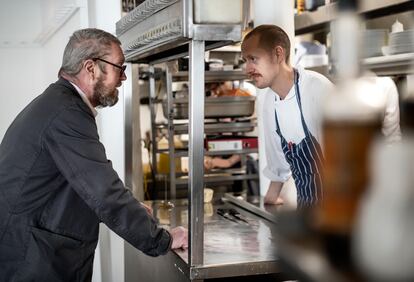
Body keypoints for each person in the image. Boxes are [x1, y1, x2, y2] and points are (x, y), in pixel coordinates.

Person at [0, 28, 187, 281]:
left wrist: (132, 208)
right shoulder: (66, 113)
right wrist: (162, 240)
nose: (123, 77)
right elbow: (103, 191)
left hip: (30, 251)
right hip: (32, 259)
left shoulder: (58, 104)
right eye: (119, 67)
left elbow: (78, 186)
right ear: (91, 68)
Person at [241, 25, 334, 208]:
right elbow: (277, 158)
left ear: (278, 54)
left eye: (253, 59)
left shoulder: (317, 89)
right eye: (245, 60)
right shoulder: (269, 101)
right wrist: (270, 199)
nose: (248, 69)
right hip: (307, 209)